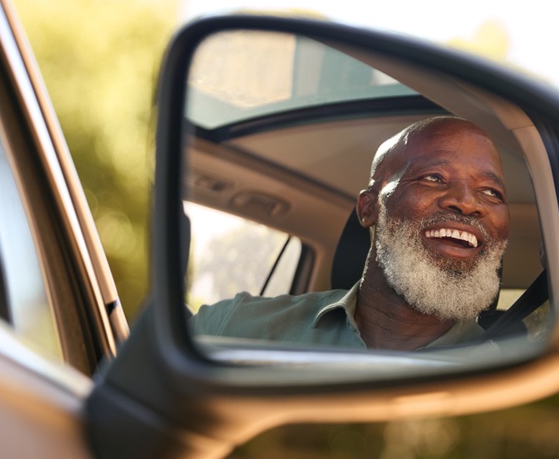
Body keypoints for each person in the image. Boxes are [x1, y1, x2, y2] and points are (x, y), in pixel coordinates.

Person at [190, 116, 510, 351]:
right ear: (368, 208)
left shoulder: (509, 380)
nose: (468, 203)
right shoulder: (234, 328)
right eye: (434, 178)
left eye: (492, 192)